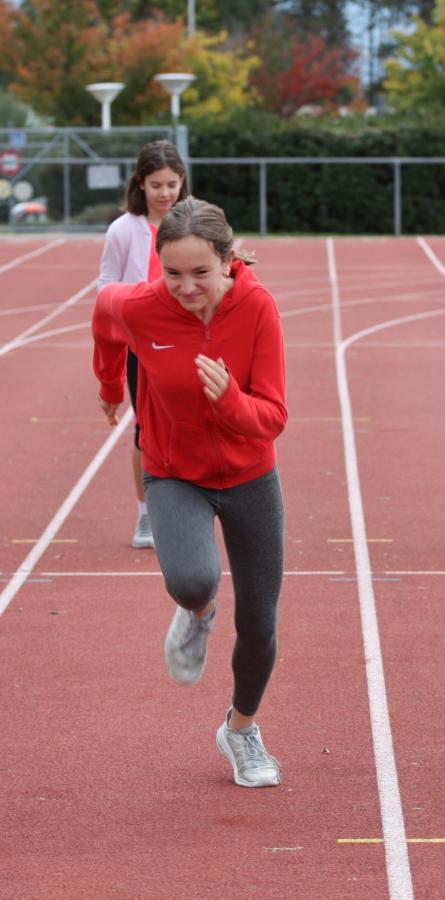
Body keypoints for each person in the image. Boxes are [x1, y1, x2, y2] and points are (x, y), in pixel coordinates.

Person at [92, 197, 288, 788]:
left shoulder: (257, 308)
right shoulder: (142, 306)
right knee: (192, 580)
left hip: (251, 472)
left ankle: (240, 730)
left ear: (228, 261)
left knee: (259, 622)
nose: (185, 286)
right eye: (172, 273)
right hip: (175, 469)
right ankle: (198, 614)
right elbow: (103, 319)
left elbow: (273, 416)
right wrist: (108, 384)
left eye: (200, 272)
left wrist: (227, 400)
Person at [98, 140, 189, 549]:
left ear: (182, 181)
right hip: (144, 345)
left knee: (190, 425)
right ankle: (146, 517)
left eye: (172, 184)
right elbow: (106, 289)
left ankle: (191, 507)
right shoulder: (123, 230)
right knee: (145, 430)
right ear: (140, 184)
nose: (165, 193)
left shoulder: (194, 221)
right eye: (156, 185)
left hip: (190, 340)